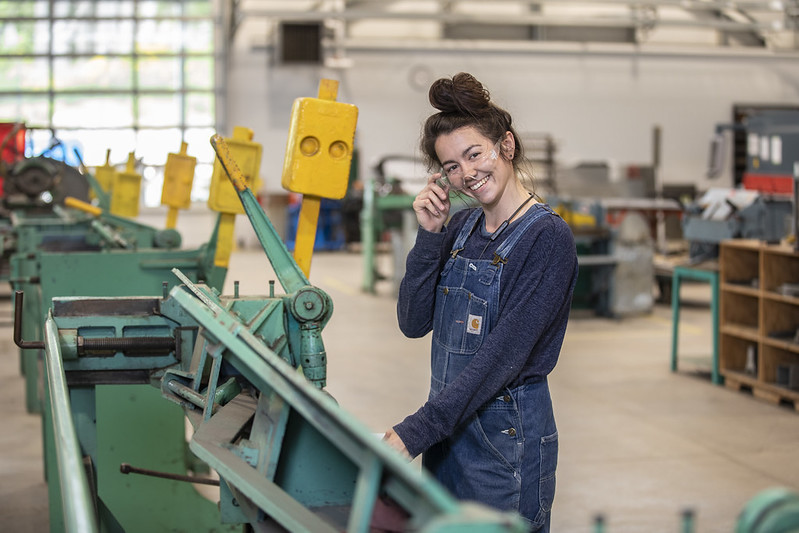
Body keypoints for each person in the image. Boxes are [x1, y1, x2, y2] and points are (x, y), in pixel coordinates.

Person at [382, 72, 578, 531]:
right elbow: (412, 321)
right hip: (448, 434)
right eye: (451, 166)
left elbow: (501, 357)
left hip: (504, 443)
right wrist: (429, 237)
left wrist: (414, 433)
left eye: (474, 154)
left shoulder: (547, 238)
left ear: (506, 146)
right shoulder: (460, 228)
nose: (467, 174)